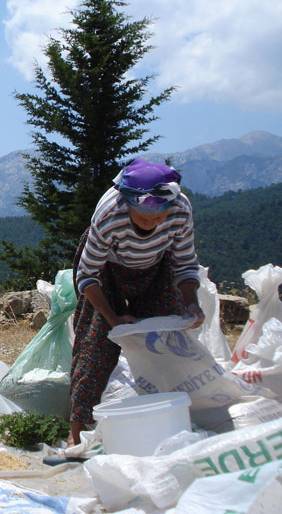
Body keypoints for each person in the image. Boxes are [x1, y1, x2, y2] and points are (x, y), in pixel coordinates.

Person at [68, 158, 205, 446]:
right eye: (142, 218)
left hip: (156, 266)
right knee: (96, 345)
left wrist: (191, 302)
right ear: (127, 204)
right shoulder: (110, 214)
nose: (151, 224)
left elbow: (184, 263)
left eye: (158, 219)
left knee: (165, 341)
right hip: (106, 271)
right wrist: (112, 318)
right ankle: (78, 433)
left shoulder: (179, 210)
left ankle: (169, 423)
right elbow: (87, 274)